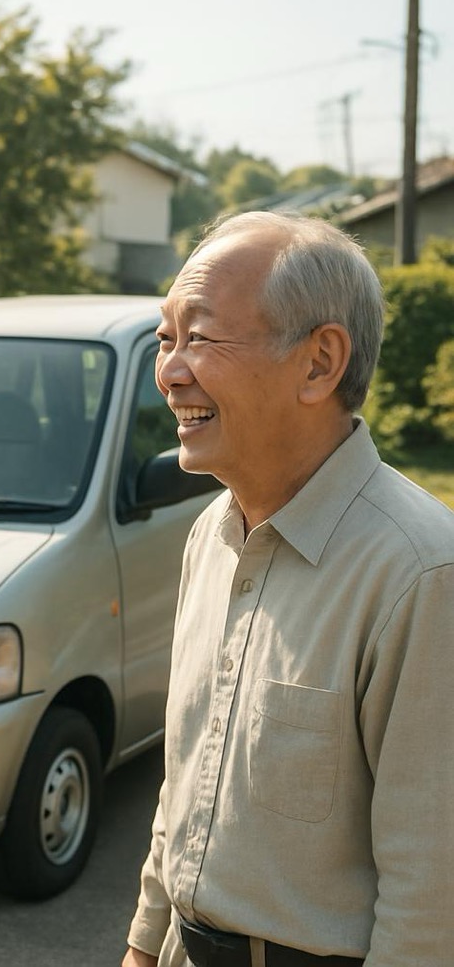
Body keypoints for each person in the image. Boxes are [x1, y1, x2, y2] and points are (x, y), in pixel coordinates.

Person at [122, 212, 454, 967]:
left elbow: (432, 897)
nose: (170, 372)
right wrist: (144, 942)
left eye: (201, 337)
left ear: (319, 363)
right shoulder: (211, 533)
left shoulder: (422, 574)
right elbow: (185, 782)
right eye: (166, 339)